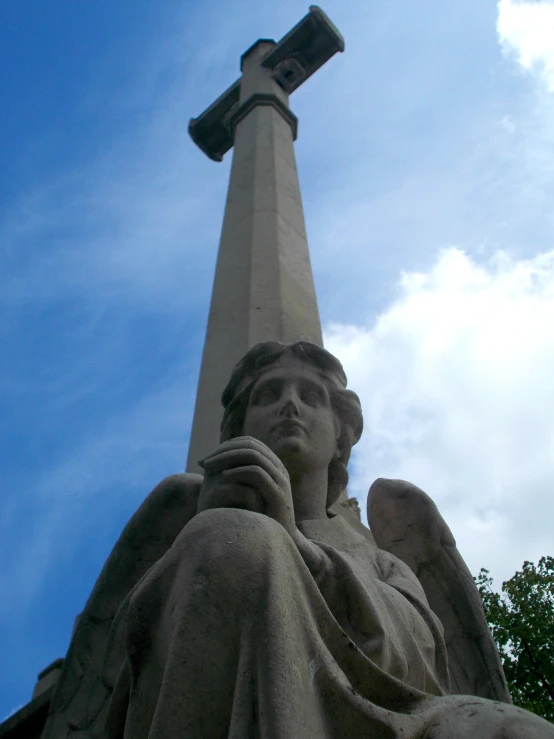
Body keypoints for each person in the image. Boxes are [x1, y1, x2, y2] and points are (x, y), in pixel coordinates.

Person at [44, 341, 554, 738]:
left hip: (378, 711)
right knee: (228, 536)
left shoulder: (378, 549)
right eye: (268, 395)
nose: (289, 406)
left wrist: (299, 549)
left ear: (340, 435)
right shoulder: (198, 522)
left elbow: (417, 662)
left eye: (310, 397)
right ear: (238, 425)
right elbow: (140, 654)